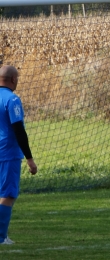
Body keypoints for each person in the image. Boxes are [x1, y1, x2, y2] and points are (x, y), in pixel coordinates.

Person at [0, 65, 37, 244]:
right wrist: (30, 158)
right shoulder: (12, 100)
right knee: (8, 194)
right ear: (13, 79)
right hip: (7, 154)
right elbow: (18, 130)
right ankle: (0, 237)